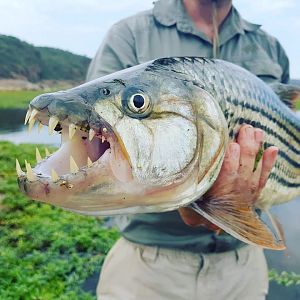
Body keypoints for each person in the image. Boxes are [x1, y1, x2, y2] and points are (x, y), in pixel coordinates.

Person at [86, 0, 289, 299]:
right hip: (148, 267)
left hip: (243, 266)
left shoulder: (270, 48)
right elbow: (94, 136)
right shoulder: (129, 34)